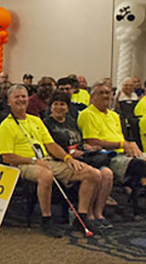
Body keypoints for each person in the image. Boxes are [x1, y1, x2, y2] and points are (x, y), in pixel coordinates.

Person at [0, 85, 103, 237]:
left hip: (46, 160)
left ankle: (82, 217)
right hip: (22, 164)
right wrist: (33, 161)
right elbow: (6, 157)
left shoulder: (36, 121)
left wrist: (67, 158)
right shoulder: (6, 126)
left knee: (92, 174)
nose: (21, 99)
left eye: (24, 96)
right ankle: (46, 219)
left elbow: (51, 145)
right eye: (17, 97)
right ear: (9, 102)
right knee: (45, 175)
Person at [78, 82, 146, 227]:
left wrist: (129, 145)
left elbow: (121, 139)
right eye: (101, 93)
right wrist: (122, 145)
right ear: (92, 97)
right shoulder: (87, 114)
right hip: (107, 155)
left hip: (124, 153)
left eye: (107, 93)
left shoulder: (114, 115)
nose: (105, 96)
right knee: (145, 166)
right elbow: (92, 140)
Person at [43, 92, 114, 227]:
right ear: (50, 107)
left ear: (68, 107)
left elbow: (77, 142)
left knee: (107, 174)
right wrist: (72, 154)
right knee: (96, 174)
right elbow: (51, 147)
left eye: (62, 104)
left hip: (82, 157)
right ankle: (87, 215)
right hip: (63, 160)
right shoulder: (47, 124)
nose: (59, 107)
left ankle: (98, 213)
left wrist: (87, 147)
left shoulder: (71, 121)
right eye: (56, 104)